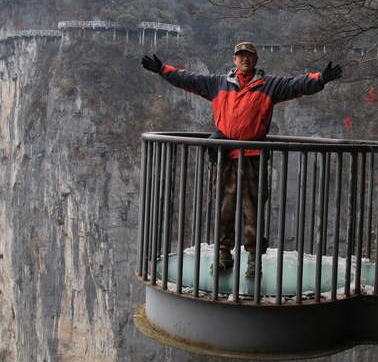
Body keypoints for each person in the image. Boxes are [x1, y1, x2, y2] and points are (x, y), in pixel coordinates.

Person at [141, 42, 342, 277]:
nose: (244, 59)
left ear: (256, 60)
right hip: (226, 155)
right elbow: (188, 79)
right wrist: (162, 69)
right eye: (240, 56)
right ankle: (224, 255)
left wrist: (320, 78)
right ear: (234, 59)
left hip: (253, 157)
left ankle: (254, 260)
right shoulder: (218, 84)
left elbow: (296, 85)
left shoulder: (268, 86)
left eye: (249, 56)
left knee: (252, 210)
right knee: (224, 208)